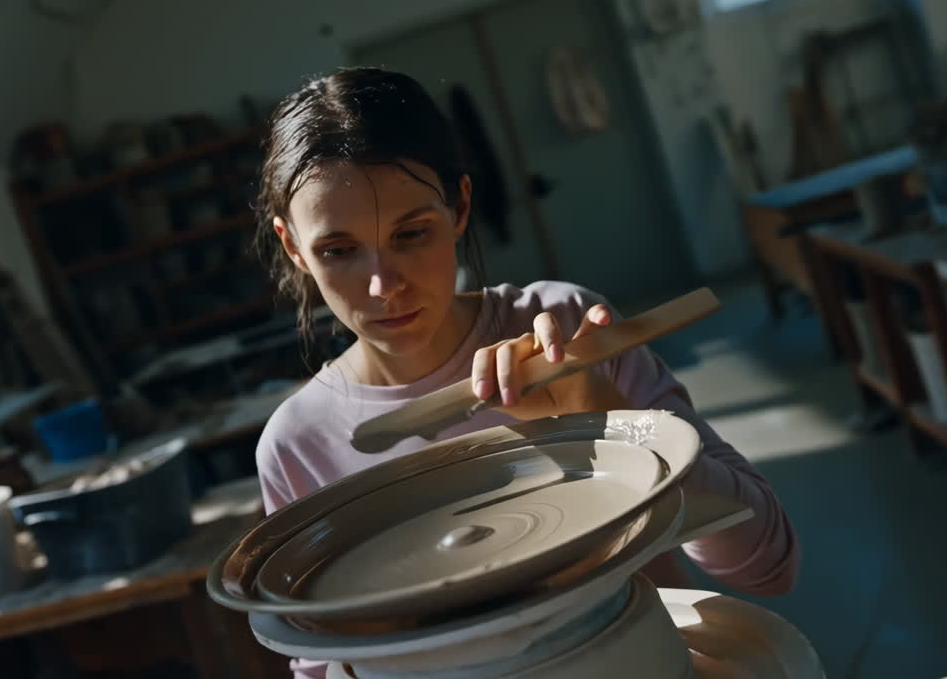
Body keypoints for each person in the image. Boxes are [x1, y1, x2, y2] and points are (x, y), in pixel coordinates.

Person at [252, 67, 799, 678]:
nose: (383, 286)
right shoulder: (300, 443)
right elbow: (323, 663)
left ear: (459, 207)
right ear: (294, 247)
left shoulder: (563, 329)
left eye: (412, 234)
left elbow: (767, 563)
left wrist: (616, 427)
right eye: (339, 250)